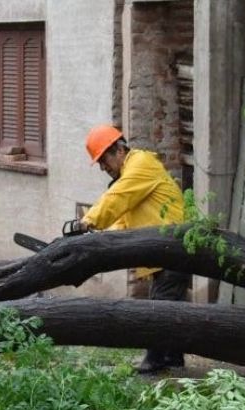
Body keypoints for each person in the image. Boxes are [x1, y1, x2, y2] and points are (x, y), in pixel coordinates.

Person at [78, 124, 189, 374]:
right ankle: (173, 356)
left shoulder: (141, 164)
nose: (103, 168)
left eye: (103, 160)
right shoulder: (131, 179)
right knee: (170, 303)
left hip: (173, 247)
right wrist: (99, 240)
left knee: (161, 305)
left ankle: (154, 359)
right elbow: (122, 221)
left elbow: (116, 198)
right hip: (163, 250)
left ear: (118, 149)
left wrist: (88, 221)